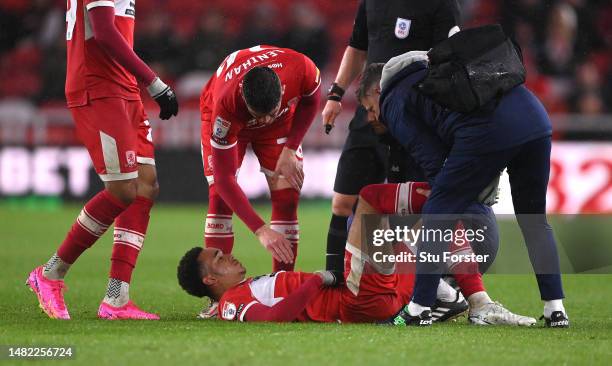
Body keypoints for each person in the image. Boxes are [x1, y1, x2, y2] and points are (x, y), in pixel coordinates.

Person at [357, 54, 569, 328]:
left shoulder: (393, 99)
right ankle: (556, 310)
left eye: (369, 108)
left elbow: (435, 164)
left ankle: (419, 309)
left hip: (492, 130)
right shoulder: (432, 72)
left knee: (438, 210)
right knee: (534, 220)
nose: (373, 116)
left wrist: (462, 186)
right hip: (535, 117)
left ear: (377, 90)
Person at [177, 181, 535, 326]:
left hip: (386, 294)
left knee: (440, 223)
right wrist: (316, 279)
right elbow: (274, 318)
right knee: (370, 199)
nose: (229, 256)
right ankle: (457, 189)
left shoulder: (240, 291)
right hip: (360, 296)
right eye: (218, 260)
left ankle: (477, 302)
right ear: (209, 280)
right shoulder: (231, 304)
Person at [26, 0, 179, 320]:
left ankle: (117, 298)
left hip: (122, 87)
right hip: (97, 87)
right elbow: (105, 32)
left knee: (145, 186)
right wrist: (155, 82)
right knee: (124, 190)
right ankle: (50, 274)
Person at [321, 0, 465, 280]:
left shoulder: (443, 5)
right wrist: (336, 94)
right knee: (342, 202)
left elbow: (448, 60)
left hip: (412, 117)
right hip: (371, 112)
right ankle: (335, 281)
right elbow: (357, 47)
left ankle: (426, 285)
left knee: (412, 208)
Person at [198, 45, 321, 316]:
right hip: (234, 125)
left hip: (280, 129)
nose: (264, 119)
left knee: (288, 196)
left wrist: (291, 147)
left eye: (270, 111)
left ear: (281, 91)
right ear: (244, 97)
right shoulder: (226, 106)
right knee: (219, 198)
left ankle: (281, 287)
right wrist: (260, 230)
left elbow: (312, 99)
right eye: (258, 114)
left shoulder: (301, 68)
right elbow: (224, 178)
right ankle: (218, 300)